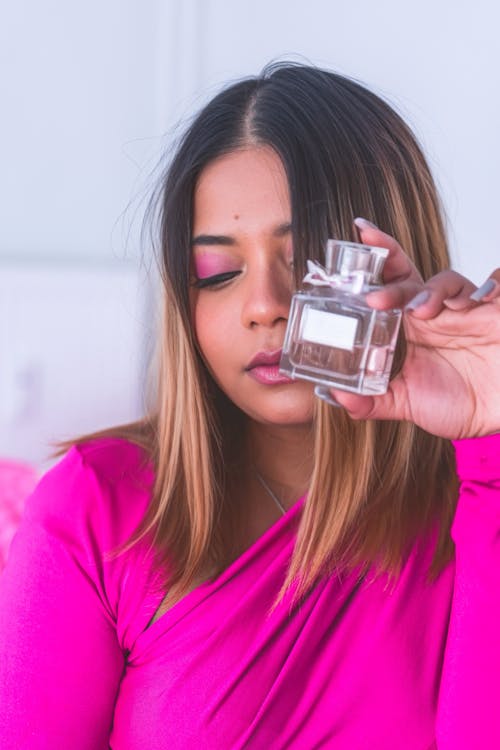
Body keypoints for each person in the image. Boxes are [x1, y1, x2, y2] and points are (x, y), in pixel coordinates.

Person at [0, 62, 499, 750]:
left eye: (306, 263)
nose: (264, 305)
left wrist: (490, 433)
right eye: (218, 274)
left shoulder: (475, 503)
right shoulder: (93, 509)